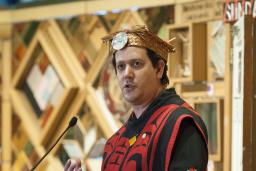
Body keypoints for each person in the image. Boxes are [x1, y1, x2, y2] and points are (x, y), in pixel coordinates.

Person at [64, 25, 208, 171]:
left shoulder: (181, 124)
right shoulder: (114, 143)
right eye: (120, 66)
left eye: (136, 64)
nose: (127, 74)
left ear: (159, 69)